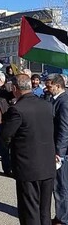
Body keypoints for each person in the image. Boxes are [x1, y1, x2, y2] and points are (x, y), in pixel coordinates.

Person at [0, 74, 55, 225]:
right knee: (45, 211)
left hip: (28, 168)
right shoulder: (47, 105)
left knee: (30, 212)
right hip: (48, 167)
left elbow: (5, 136)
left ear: (15, 89)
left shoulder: (17, 110)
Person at [50, 75, 68, 225]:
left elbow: (64, 129)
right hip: (60, 150)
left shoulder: (64, 102)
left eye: (50, 86)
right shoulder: (57, 99)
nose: (47, 88)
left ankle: (62, 219)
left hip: (62, 153)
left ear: (57, 85)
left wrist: (59, 153)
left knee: (61, 186)